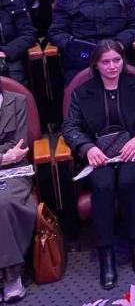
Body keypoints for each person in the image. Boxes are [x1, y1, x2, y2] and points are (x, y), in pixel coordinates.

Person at [61, 40, 135, 289]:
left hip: (131, 151)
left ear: (123, 60)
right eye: (105, 62)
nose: (112, 66)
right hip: (100, 155)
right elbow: (70, 127)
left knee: (127, 182)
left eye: (116, 60)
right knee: (103, 186)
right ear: (96, 64)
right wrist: (87, 148)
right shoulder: (82, 91)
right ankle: (106, 252)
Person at [48, 0, 135, 83]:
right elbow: (56, 32)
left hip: (115, 52)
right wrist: (74, 46)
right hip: (83, 57)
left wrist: (120, 42)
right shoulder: (67, 1)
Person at [0, 79, 36, 302]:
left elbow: (19, 145)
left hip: (13, 172)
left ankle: (11, 276)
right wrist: (3, 156)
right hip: (6, 161)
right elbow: (8, 151)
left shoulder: (18, 101)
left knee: (3, 202)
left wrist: (9, 157)